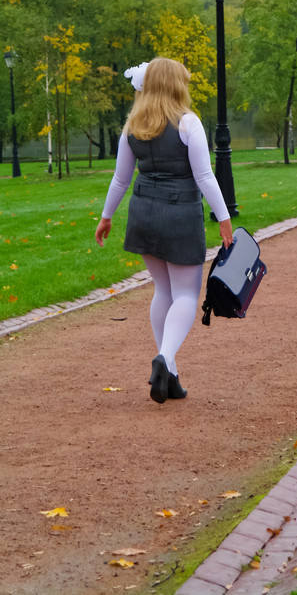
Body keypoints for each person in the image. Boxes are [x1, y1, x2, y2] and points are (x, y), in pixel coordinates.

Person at [95, 58, 233, 404]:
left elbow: (120, 178)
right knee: (185, 294)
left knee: (162, 291)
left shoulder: (132, 126)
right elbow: (204, 176)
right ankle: (165, 359)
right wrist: (224, 217)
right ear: (176, 85)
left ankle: (169, 376)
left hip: (143, 212)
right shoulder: (188, 123)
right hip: (180, 214)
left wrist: (106, 216)